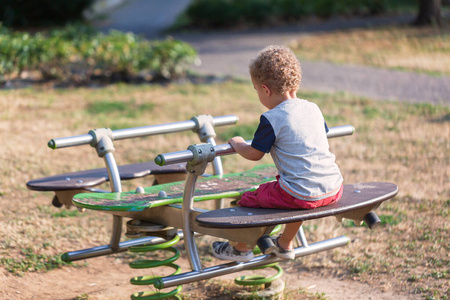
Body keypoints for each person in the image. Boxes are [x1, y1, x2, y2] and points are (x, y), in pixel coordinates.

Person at [211, 45, 344, 262]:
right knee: (296, 191)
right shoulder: (313, 108)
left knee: (248, 199)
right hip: (332, 187)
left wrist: (237, 144)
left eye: (255, 90)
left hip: (300, 193)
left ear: (265, 89)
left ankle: (241, 248)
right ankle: (284, 243)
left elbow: (254, 154)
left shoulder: (272, 118)